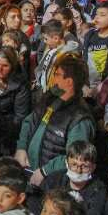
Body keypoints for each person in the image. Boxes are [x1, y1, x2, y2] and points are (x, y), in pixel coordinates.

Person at [15, 56, 95, 187]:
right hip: (29, 172)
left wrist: (45, 171)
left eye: (57, 74)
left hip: (52, 182)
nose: (53, 78)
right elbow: (29, 122)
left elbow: (76, 156)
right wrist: (21, 148)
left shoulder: (79, 118)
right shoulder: (49, 98)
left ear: (69, 81)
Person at [27, 141, 106, 215]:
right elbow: (36, 202)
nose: (78, 170)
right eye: (74, 165)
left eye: (84, 166)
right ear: (67, 163)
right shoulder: (54, 179)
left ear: (93, 167)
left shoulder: (97, 189)